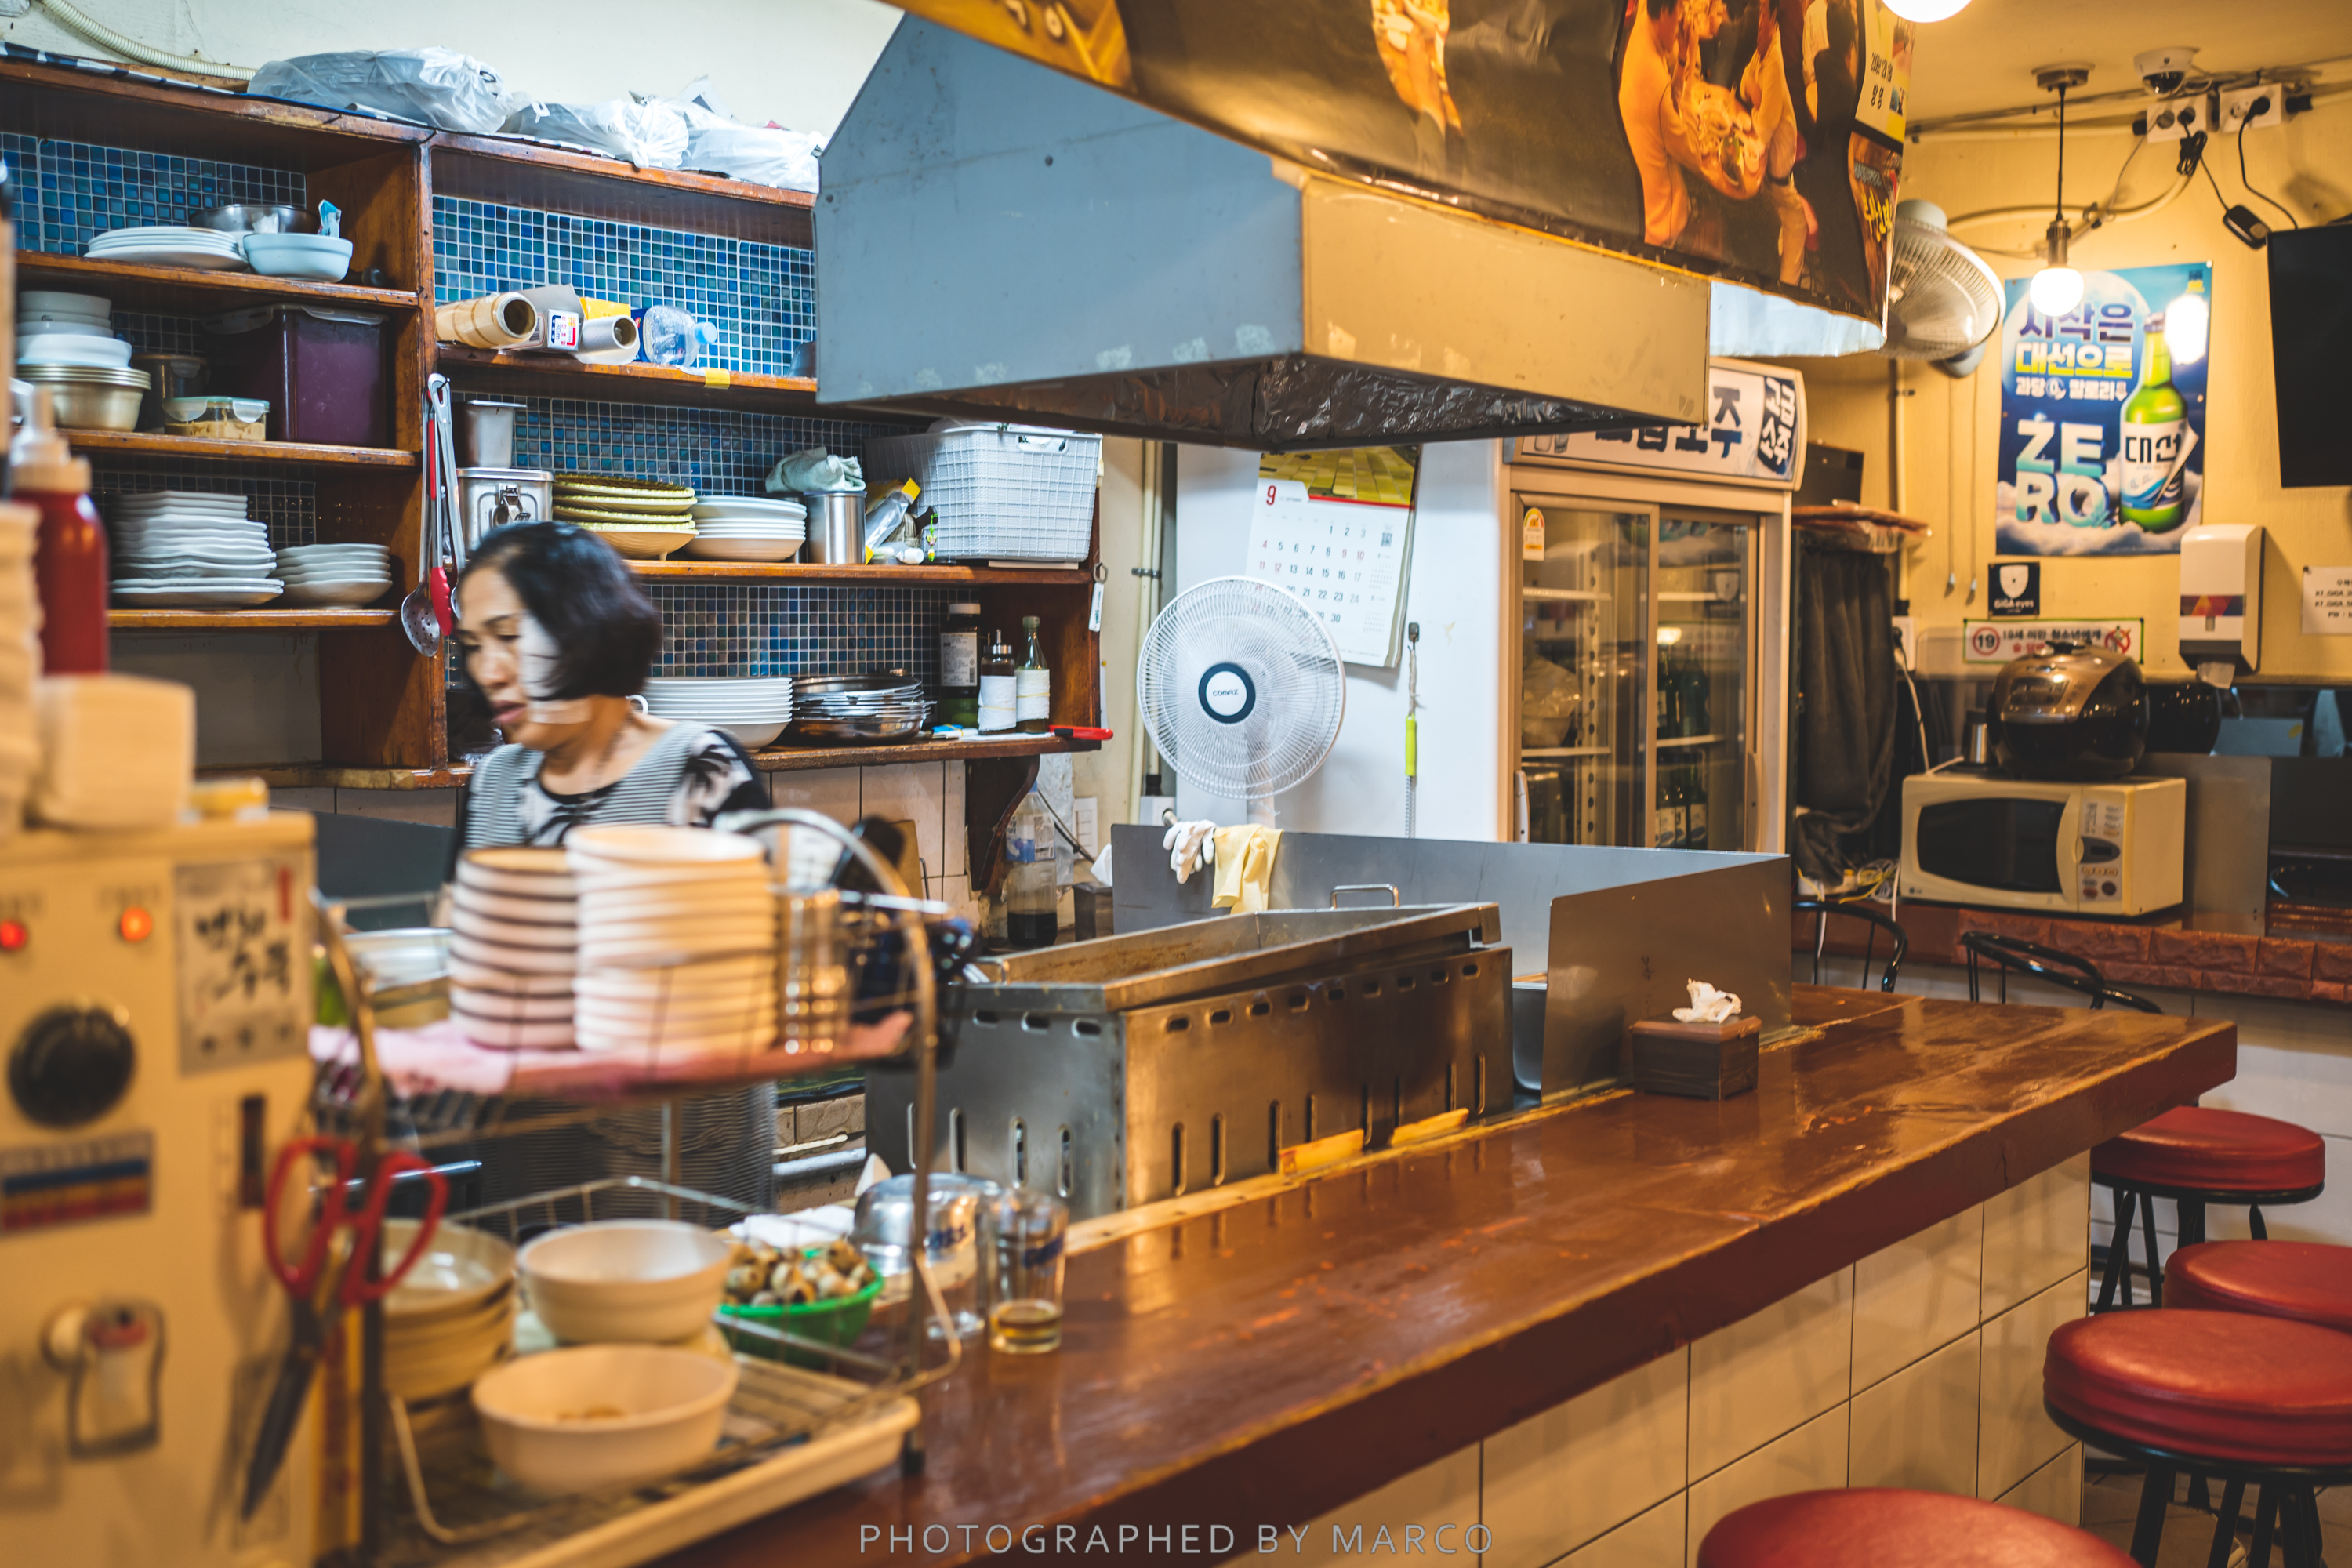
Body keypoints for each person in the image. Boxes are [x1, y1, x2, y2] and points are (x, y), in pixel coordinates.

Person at [448, 521, 777, 1214]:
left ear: (583, 628)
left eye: (509, 636)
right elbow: (460, 953)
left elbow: (761, 984)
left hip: (677, 1181)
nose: (488, 670)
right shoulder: (492, 784)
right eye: (474, 645)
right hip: (528, 1179)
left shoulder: (703, 773)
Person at [1741, 0, 1813, 284]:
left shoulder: (1774, 59)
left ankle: (1787, 287)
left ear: (1772, 20)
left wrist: (1756, 100)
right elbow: (1745, 81)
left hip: (1778, 168)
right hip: (1770, 164)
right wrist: (1753, 93)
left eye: (1762, 14)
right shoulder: (1764, 52)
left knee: (1794, 219)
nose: (1758, 23)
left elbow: (1765, 127)